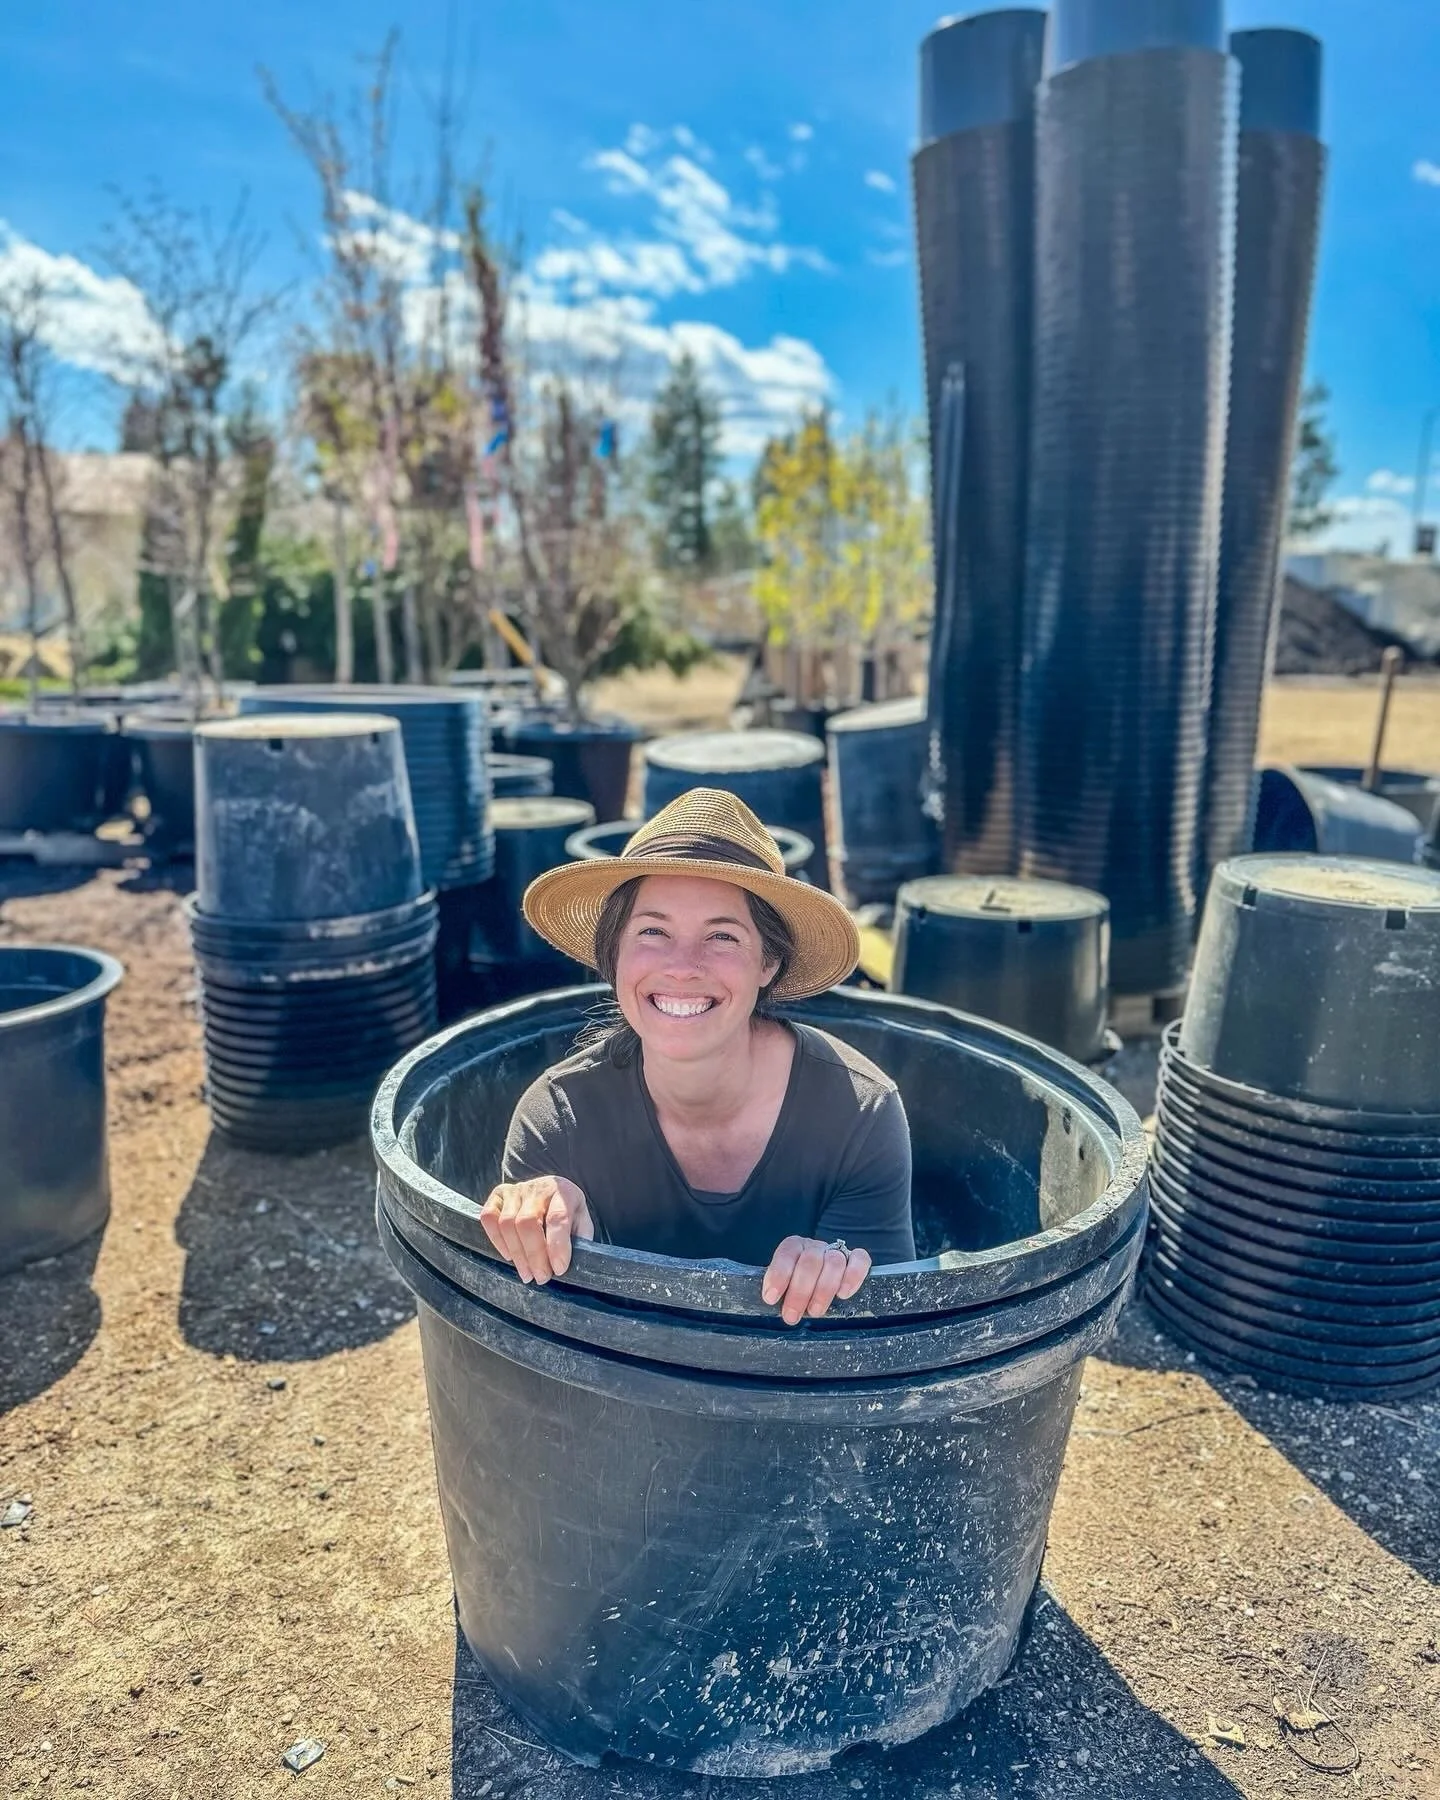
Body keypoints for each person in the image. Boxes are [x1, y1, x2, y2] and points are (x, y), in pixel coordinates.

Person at [480, 787, 914, 1323]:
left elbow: (890, 1338)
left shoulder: (857, 1113)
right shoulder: (557, 1120)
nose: (683, 966)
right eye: (653, 931)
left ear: (768, 962)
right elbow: (546, 1345)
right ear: (613, 955)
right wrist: (533, 1220)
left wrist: (841, 1272)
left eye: (723, 937)